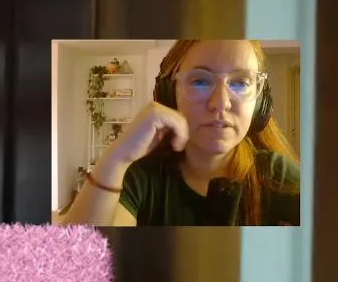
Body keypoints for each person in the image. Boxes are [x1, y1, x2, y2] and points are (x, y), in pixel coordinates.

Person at [56, 39, 302, 227]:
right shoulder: (141, 178)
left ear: (260, 102)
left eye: (240, 82)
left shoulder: (276, 174)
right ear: (168, 95)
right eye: (200, 81)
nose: (221, 103)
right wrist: (116, 157)